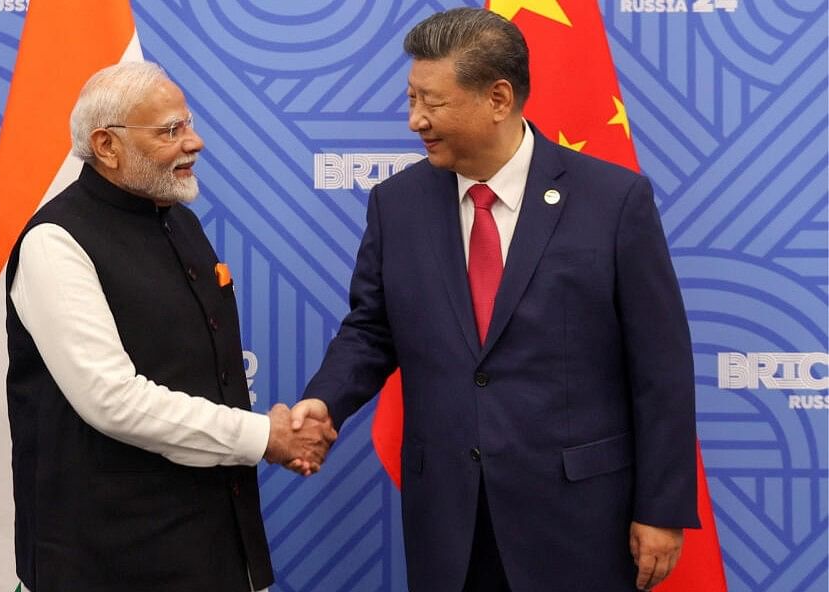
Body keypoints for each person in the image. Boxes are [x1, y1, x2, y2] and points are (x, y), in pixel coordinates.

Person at [290, 8, 698, 592]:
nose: (415, 121)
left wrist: (661, 507)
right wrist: (326, 401)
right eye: (411, 99)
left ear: (499, 98)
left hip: (579, 519)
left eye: (432, 102)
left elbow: (660, 365)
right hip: (449, 520)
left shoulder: (613, 201)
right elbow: (372, 330)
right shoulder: (396, 205)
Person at [4, 62, 335, 592]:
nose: (195, 142)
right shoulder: (56, 241)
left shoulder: (181, 221)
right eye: (171, 130)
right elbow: (112, 400)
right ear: (107, 145)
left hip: (212, 548)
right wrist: (263, 436)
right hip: (108, 562)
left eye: (189, 124)